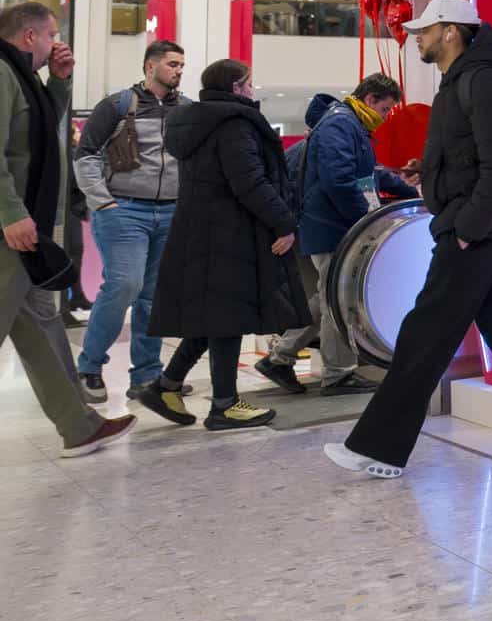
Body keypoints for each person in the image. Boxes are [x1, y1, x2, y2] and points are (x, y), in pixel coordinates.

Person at [326, 0, 492, 478]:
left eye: (425, 30)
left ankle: (378, 448)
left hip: (475, 229)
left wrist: (468, 229)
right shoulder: (464, 79)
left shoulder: (484, 81)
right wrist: (432, 172)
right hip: (478, 225)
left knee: (426, 332)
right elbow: (472, 156)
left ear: (451, 32)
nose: (417, 38)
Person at [139, 59, 308, 430]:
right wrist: (284, 222)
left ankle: (165, 386)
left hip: (203, 229)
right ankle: (224, 405)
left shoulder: (196, 121)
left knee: (214, 316)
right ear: (235, 87)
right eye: (249, 84)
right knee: (229, 317)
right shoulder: (233, 123)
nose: (252, 91)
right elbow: (248, 181)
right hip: (230, 232)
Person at [0, 3, 137, 457]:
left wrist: (59, 81)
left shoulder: (24, 79)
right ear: (29, 37)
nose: (57, 42)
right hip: (10, 230)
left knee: (42, 324)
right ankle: (79, 424)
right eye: (51, 35)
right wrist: (10, 212)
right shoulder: (2, 73)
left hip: (26, 231)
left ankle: (79, 426)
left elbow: (40, 129)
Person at [255, 74, 418, 397]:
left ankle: (280, 357)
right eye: (385, 109)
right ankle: (338, 374)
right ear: (370, 99)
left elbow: (368, 175)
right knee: (340, 302)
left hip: (332, 224)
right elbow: (339, 181)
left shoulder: (351, 126)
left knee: (328, 296)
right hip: (332, 226)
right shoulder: (340, 125)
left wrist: (409, 191)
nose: (385, 117)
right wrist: (364, 219)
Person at [72, 39, 189, 404]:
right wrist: (103, 203)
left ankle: (146, 376)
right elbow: (86, 155)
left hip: (171, 212)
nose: (179, 70)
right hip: (124, 210)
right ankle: (89, 367)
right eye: (172, 64)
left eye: (182, 65)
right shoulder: (117, 105)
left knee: (154, 297)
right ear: (149, 66)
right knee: (124, 285)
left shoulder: (186, 109)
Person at [60, 115, 93, 328]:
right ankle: (71, 299)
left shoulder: (70, 154)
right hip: (68, 211)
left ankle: (77, 296)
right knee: (72, 253)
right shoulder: (70, 154)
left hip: (70, 210)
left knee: (75, 253)